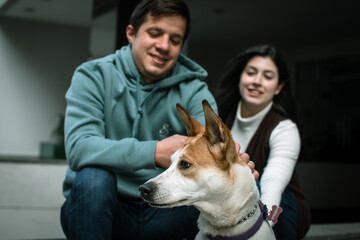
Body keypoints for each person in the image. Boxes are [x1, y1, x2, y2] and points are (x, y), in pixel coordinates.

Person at [60, 1, 256, 239]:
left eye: (175, 40)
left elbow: (211, 144)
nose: (164, 46)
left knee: (224, 189)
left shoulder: (194, 90)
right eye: (155, 34)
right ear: (131, 33)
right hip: (106, 208)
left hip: (169, 211)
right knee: (93, 179)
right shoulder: (93, 76)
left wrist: (232, 165)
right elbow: (79, 147)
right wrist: (154, 151)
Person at [215, 44, 312, 240]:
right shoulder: (220, 118)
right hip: (231, 209)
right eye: (251, 73)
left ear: (278, 87)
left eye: (268, 77)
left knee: (253, 182)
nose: (257, 81)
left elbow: (273, 183)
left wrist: (266, 224)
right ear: (240, 78)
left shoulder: (285, 128)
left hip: (280, 210)